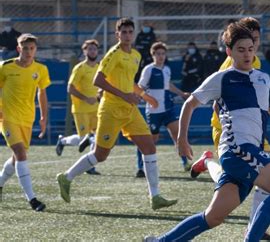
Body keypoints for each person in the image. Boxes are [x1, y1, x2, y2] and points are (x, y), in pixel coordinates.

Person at [144, 20, 270, 242]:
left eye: (250, 49)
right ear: (229, 51)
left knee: (213, 217)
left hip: (249, 152)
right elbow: (190, 103)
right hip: (238, 149)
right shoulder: (223, 78)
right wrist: (182, 138)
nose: (247, 54)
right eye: (240, 50)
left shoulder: (262, 78)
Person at [56, 18, 177, 210]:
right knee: (100, 155)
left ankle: (155, 196)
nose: (127, 35)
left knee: (149, 147)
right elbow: (98, 80)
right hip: (111, 109)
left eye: (130, 31)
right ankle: (66, 177)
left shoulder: (136, 55)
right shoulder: (113, 54)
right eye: (124, 32)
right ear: (117, 34)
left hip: (129, 110)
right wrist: (125, 95)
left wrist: (143, 96)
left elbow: (129, 82)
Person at [190, 17, 270, 240]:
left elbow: (268, 103)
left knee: (220, 204)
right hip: (228, 129)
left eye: (256, 41)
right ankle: (254, 229)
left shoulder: (256, 67)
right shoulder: (230, 67)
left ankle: (207, 162)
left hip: (252, 130)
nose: (252, 47)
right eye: (250, 41)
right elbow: (217, 99)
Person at [0, 33, 50, 211]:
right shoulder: (5, 67)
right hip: (7, 117)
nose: (29, 51)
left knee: (16, 159)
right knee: (21, 154)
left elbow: (42, 93)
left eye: (32, 48)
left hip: (27, 118)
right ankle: (32, 199)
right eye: (25, 48)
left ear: (35, 49)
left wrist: (44, 117)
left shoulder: (41, 69)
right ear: (18, 49)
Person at [134, 42, 191, 178]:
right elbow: (139, 88)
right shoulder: (148, 69)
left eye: (163, 54)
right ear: (153, 55)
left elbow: (168, 85)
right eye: (158, 54)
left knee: (177, 135)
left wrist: (181, 93)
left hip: (168, 109)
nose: (161, 56)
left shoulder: (166, 69)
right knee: (150, 141)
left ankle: (185, 163)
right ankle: (140, 167)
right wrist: (148, 100)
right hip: (154, 112)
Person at [55, 39, 101, 175]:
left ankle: (91, 165)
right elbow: (70, 88)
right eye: (89, 49)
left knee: (96, 137)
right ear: (84, 51)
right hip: (81, 109)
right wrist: (86, 98)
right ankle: (62, 141)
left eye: (94, 49)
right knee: (84, 139)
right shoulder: (80, 68)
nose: (92, 51)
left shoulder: (100, 67)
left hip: (96, 108)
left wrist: (98, 97)